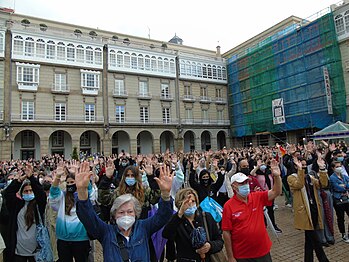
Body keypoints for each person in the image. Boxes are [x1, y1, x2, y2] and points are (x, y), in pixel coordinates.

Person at [75, 161, 174, 262]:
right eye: (121, 212)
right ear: (114, 214)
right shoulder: (106, 232)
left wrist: (165, 194)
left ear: (136, 214)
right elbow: (88, 217)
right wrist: (82, 191)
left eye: (130, 211)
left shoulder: (143, 228)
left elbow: (163, 215)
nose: (126, 215)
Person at [222, 159, 282, 262]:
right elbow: (226, 233)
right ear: (233, 186)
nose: (246, 185)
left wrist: (277, 176)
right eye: (242, 183)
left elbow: (276, 192)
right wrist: (230, 257)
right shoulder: (228, 206)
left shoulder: (257, 197)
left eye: (246, 182)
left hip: (263, 251)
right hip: (242, 255)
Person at [162, 187, 224, 262]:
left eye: (193, 201)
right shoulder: (176, 220)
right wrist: (180, 213)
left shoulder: (206, 217)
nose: (190, 204)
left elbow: (219, 241)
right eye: (186, 202)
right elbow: (166, 234)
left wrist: (210, 246)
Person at [287, 156, 330, 262]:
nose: (304, 167)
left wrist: (322, 169)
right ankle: (323, 259)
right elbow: (299, 185)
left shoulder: (310, 177)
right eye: (302, 165)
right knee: (315, 239)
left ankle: (308, 259)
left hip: (314, 210)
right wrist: (300, 171)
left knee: (309, 240)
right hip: (304, 213)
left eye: (305, 165)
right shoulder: (291, 178)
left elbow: (322, 184)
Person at [3, 163, 46, 262]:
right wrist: (19, 180)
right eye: (26, 191)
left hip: (36, 249)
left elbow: (41, 194)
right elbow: (7, 193)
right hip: (19, 249)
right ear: (21, 193)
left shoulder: (38, 205)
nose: (28, 193)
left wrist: (31, 178)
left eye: (31, 191)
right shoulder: (17, 205)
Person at [49, 161, 91, 262]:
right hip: (63, 239)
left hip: (81, 238)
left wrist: (79, 176)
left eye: (72, 182)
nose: (69, 184)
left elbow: (89, 190)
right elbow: (53, 193)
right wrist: (58, 176)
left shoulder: (83, 196)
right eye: (68, 183)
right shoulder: (62, 196)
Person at [329, 160, 349, 242]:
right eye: (337, 167)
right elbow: (337, 187)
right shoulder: (332, 177)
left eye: (340, 166)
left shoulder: (344, 176)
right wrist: (344, 187)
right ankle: (343, 234)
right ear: (333, 168)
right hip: (338, 199)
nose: (339, 168)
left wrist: (345, 187)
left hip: (347, 198)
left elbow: (347, 184)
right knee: (341, 217)